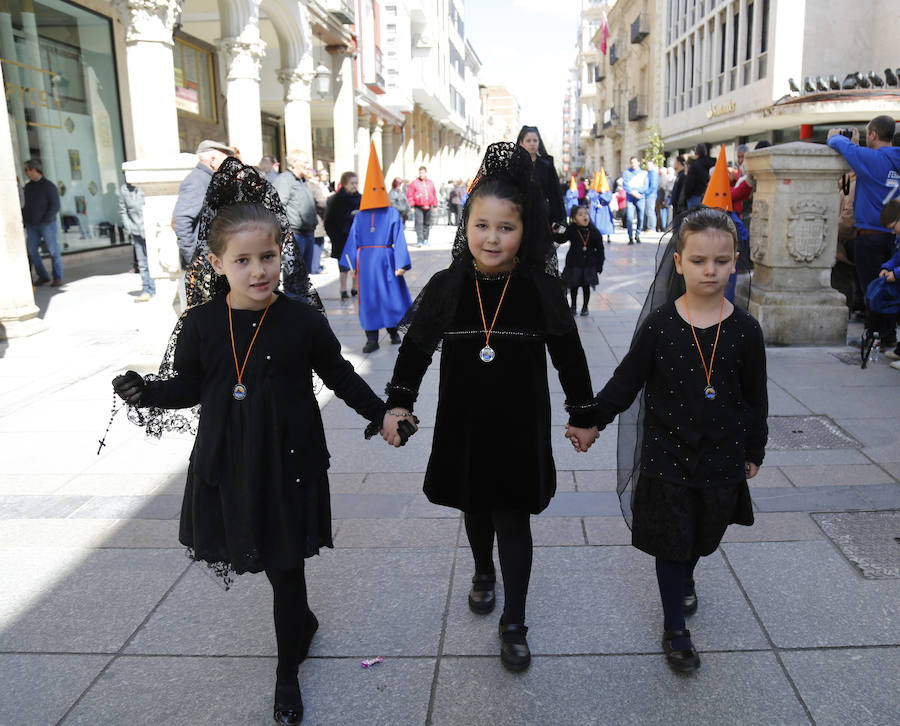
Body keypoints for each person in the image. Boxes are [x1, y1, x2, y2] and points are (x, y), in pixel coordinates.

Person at [111, 180, 396, 725]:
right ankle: (302, 622)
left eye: (268, 256)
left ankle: (286, 674)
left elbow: (340, 375)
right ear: (217, 263)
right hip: (232, 463)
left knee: (286, 567)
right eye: (243, 260)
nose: (259, 270)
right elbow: (190, 387)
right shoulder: (200, 325)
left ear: (282, 254)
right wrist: (149, 391)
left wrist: (381, 413)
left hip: (290, 462)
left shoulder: (302, 320)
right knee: (266, 558)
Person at [379, 142, 599, 672]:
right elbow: (415, 350)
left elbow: (570, 353)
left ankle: (515, 622)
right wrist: (398, 404)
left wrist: (582, 412)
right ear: (466, 224)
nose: (492, 238)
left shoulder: (540, 288)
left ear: (525, 231)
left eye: (506, 227)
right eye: (482, 225)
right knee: (475, 508)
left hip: (520, 425)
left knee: (513, 518)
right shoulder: (448, 285)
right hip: (465, 421)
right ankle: (483, 571)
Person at [578, 206, 767, 673]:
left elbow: (755, 397)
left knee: (703, 536)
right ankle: (674, 629)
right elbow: (626, 382)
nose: (710, 270)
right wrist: (591, 420)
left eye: (721, 261)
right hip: (668, 455)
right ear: (679, 262)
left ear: (734, 262)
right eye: (699, 260)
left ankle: (686, 576)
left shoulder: (745, 330)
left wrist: (754, 449)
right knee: (672, 542)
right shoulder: (661, 325)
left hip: (722, 455)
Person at [828, 117, 900, 356]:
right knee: (891, 287)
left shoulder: (872, 158)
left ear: (873, 135)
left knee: (873, 288)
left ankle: (876, 336)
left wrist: (840, 134)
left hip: (870, 235)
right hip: (894, 238)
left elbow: (837, 142)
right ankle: (888, 336)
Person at [341, 142, 413, 353]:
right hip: (366, 262)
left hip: (387, 260)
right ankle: (371, 339)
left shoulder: (392, 214)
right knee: (370, 298)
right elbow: (353, 240)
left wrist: (401, 263)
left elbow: (399, 239)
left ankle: (393, 332)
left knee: (389, 295)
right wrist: (351, 263)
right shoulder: (360, 216)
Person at [173, 139, 233, 269]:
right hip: (204, 262)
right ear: (212, 160)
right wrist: (193, 258)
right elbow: (181, 220)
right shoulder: (197, 181)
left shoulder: (209, 179)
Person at [273, 149, 318, 275]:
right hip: (295, 235)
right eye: (305, 162)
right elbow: (277, 207)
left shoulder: (302, 181)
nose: (308, 165)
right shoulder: (285, 180)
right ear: (293, 163)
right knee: (294, 277)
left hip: (307, 233)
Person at [557, 205, 605, 316]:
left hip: (589, 264)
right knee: (573, 285)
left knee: (586, 286)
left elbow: (600, 249)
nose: (584, 216)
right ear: (574, 219)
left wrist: (599, 264)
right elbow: (562, 237)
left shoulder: (593, 231)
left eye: (586, 214)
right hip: (575, 264)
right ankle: (573, 306)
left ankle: (585, 307)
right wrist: (557, 229)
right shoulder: (571, 229)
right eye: (580, 214)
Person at [22, 159, 63, 286]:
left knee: (53, 251)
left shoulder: (48, 186)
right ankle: (43, 275)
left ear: (33, 170)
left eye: (26, 170)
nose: (25, 172)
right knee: (32, 251)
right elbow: (26, 206)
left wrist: (46, 220)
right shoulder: (28, 187)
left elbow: (55, 205)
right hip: (31, 225)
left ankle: (57, 277)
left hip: (46, 224)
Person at [517, 125, 565, 230]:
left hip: (542, 215)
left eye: (535, 140)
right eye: (528, 141)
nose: (532, 144)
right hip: (519, 214)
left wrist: (557, 219)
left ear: (539, 143)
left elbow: (555, 194)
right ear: (521, 143)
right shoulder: (514, 165)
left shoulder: (546, 165)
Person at [324, 171, 361, 299]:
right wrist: (334, 237)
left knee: (357, 262)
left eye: (356, 183)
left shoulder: (361, 198)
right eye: (351, 183)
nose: (354, 186)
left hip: (357, 237)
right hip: (341, 237)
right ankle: (343, 288)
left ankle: (355, 288)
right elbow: (328, 221)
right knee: (343, 265)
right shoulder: (336, 200)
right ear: (344, 184)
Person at [119, 181, 155, 301]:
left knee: (153, 260)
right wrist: (129, 228)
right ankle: (146, 289)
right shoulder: (124, 190)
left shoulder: (144, 186)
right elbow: (123, 210)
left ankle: (155, 288)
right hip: (135, 230)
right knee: (142, 263)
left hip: (149, 229)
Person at [406, 165, 438, 246]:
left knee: (427, 223)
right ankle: (419, 240)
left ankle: (426, 239)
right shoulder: (414, 183)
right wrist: (412, 206)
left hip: (428, 206)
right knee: (419, 223)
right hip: (418, 207)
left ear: (426, 173)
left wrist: (435, 205)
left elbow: (433, 193)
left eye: (423, 173)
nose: (421, 174)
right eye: (420, 173)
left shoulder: (430, 183)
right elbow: (410, 195)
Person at [622, 157, 648, 244]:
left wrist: (639, 192)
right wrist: (633, 193)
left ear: (638, 163)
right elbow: (625, 185)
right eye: (631, 163)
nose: (633, 164)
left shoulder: (643, 173)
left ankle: (638, 234)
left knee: (640, 217)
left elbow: (646, 185)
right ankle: (630, 237)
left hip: (640, 198)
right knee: (629, 217)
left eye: (635, 162)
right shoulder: (626, 173)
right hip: (630, 198)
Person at [682, 143, 716, 209]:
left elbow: (690, 183)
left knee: (694, 216)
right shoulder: (712, 164)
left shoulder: (694, 166)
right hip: (708, 195)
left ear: (696, 153)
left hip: (694, 196)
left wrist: (686, 196)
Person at [589, 168, 615, 245]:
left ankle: (608, 236)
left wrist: (603, 194)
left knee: (606, 223)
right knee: (596, 223)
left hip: (605, 209)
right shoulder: (594, 191)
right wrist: (596, 204)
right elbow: (591, 198)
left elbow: (608, 199)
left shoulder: (607, 191)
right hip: (597, 210)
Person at [643, 160, 659, 233]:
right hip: (648, 195)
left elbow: (653, 186)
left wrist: (645, 192)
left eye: (650, 165)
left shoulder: (653, 174)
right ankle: (647, 227)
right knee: (647, 211)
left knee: (650, 211)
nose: (648, 166)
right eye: (647, 165)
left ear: (653, 165)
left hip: (650, 195)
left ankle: (652, 228)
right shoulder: (649, 173)